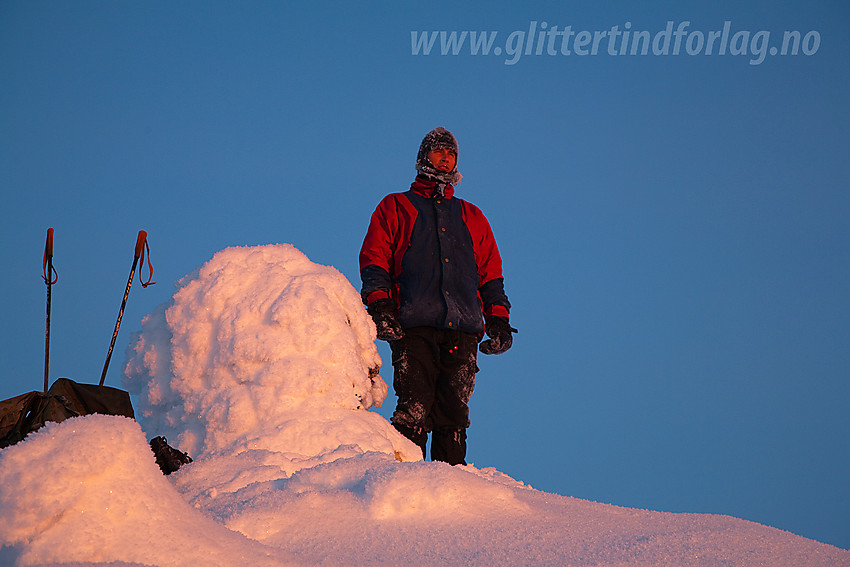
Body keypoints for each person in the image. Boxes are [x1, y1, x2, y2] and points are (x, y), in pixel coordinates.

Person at [359, 126, 515, 465]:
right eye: (438, 151)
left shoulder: (472, 216)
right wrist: (380, 305)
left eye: (451, 153)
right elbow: (375, 258)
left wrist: (499, 320)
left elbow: (490, 272)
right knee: (414, 405)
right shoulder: (396, 206)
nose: (445, 157)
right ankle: (404, 485)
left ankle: (451, 488)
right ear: (422, 158)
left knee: (454, 413)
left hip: (462, 328)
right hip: (413, 324)